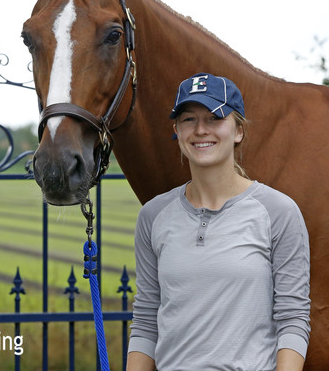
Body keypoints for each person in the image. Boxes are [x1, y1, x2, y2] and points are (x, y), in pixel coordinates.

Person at [127, 72, 311, 371]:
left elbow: (293, 318)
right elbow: (147, 320)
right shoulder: (153, 215)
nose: (200, 130)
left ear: (238, 130)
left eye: (214, 118)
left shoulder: (278, 211)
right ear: (177, 130)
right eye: (188, 119)